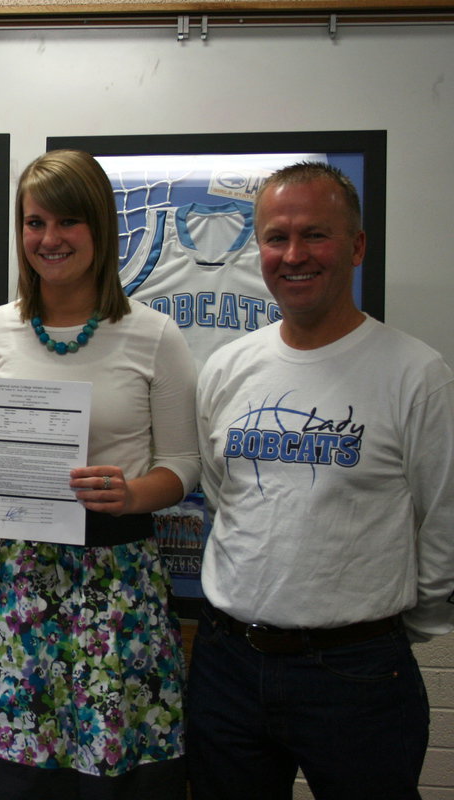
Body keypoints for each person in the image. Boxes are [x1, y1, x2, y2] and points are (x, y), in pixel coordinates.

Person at [0, 149, 199, 799]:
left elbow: (185, 465)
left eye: (68, 221)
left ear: (100, 228)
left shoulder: (153, 335)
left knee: (109, 780)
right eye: (34, 222)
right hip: (9, 590)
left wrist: (134, 492)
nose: (49, 239)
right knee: (7, 779)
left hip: (112, 590)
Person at [187, 161, 454, 800]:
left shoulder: (416, 374)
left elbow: (441, 528)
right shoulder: (227, 368)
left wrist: (378, 636)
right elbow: (227, 499)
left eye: (316, 235)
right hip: (228, 665)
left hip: (359, 674)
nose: (294, 254)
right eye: (276, 237)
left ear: (357, 246)